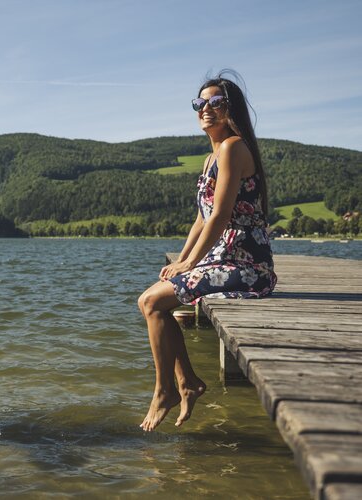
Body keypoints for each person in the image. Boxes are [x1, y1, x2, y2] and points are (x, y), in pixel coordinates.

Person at [137, 71, 277, 432]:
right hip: (223, 256)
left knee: (152, 303)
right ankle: (186, 383)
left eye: (216, 103)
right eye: (201, 103)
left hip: (246, 264)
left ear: (232, 109)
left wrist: (189, 263)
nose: (206, 109)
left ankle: (166, 388)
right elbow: (201, 219)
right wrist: (182, 261)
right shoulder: (211, 157)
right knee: (151, 301)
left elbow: (221, 216)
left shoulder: (233, 147)